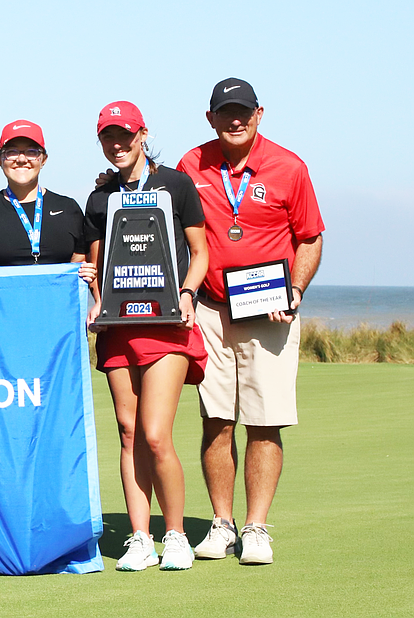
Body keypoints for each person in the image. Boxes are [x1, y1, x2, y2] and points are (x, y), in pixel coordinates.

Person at [177, 78, 324, 565]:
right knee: (216, 420)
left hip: (270, 313)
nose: (235, 120)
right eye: (225, 111)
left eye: (243, 111)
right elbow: (163, 225)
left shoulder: (289, 167)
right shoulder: (190, 165)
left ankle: (256, 527)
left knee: (265, 423)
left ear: (259, 113)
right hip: (210, 310)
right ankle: (221, 524)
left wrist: (296, 290)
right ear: (210, 117)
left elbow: (309, 237)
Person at [84, 102, 209, 571]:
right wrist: (96, 295)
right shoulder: (99, 198)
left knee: (156, 435)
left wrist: (188, 292)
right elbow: (98, 265)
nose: (116, 144)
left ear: (142, 134)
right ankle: (140, 536)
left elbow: (200, 251)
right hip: (120, 328)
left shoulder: (176, 184)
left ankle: (174, 535)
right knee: (129, 431)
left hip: (167, 325)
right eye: (107, 137)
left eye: (124, 135)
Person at [0, 120, 93, 279]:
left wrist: (87, 273)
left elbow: (81, 266)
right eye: (11, 152)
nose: (22, 159)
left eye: (32, 152)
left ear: (43, 159)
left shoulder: (68, 208)